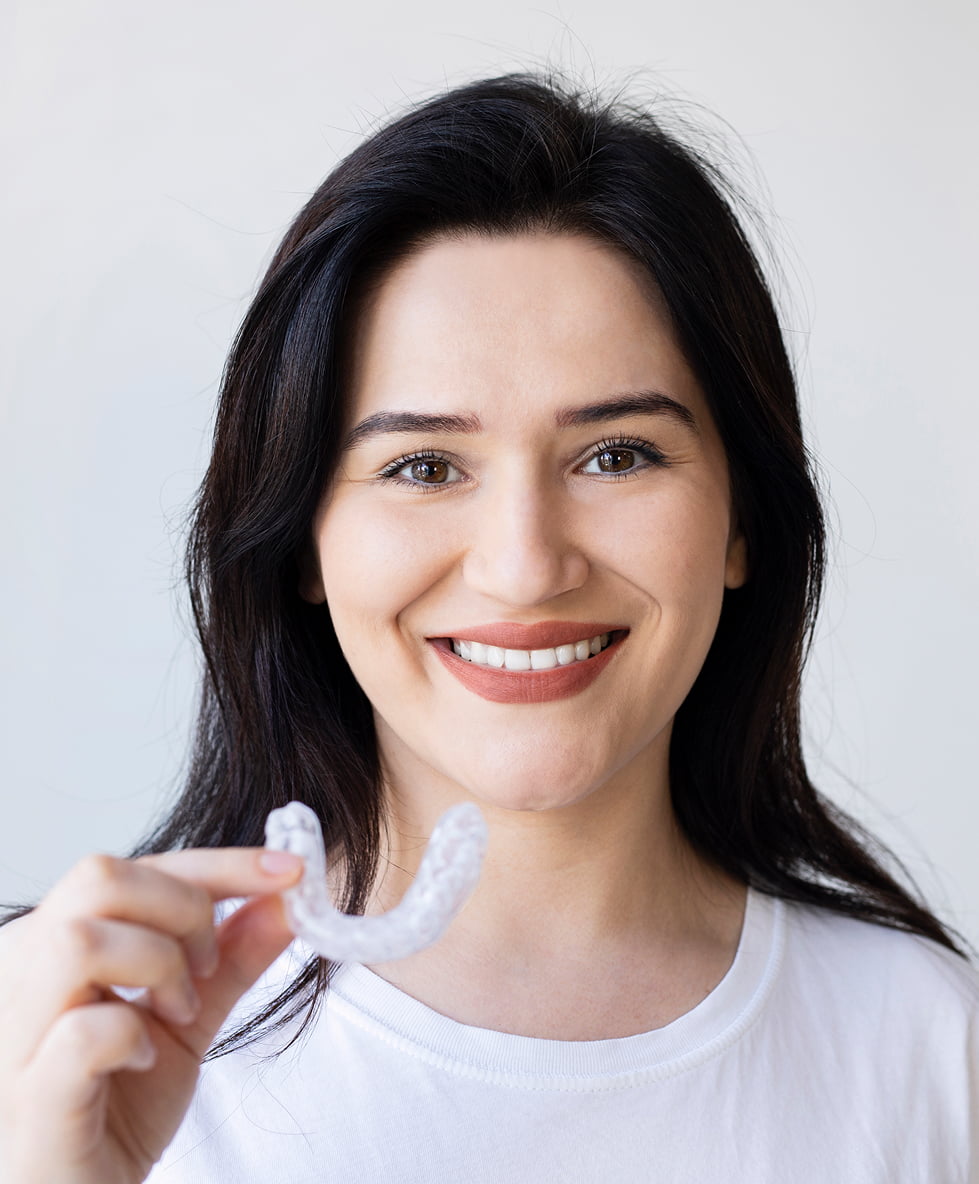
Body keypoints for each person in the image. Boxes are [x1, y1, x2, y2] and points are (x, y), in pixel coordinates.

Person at [1, 71, 976, 1183]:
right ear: (303, 541)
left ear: (741, 519)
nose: (523, 565)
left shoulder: (931, 1054)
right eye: (422, 465)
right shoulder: (59, 1046)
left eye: (616, 454)